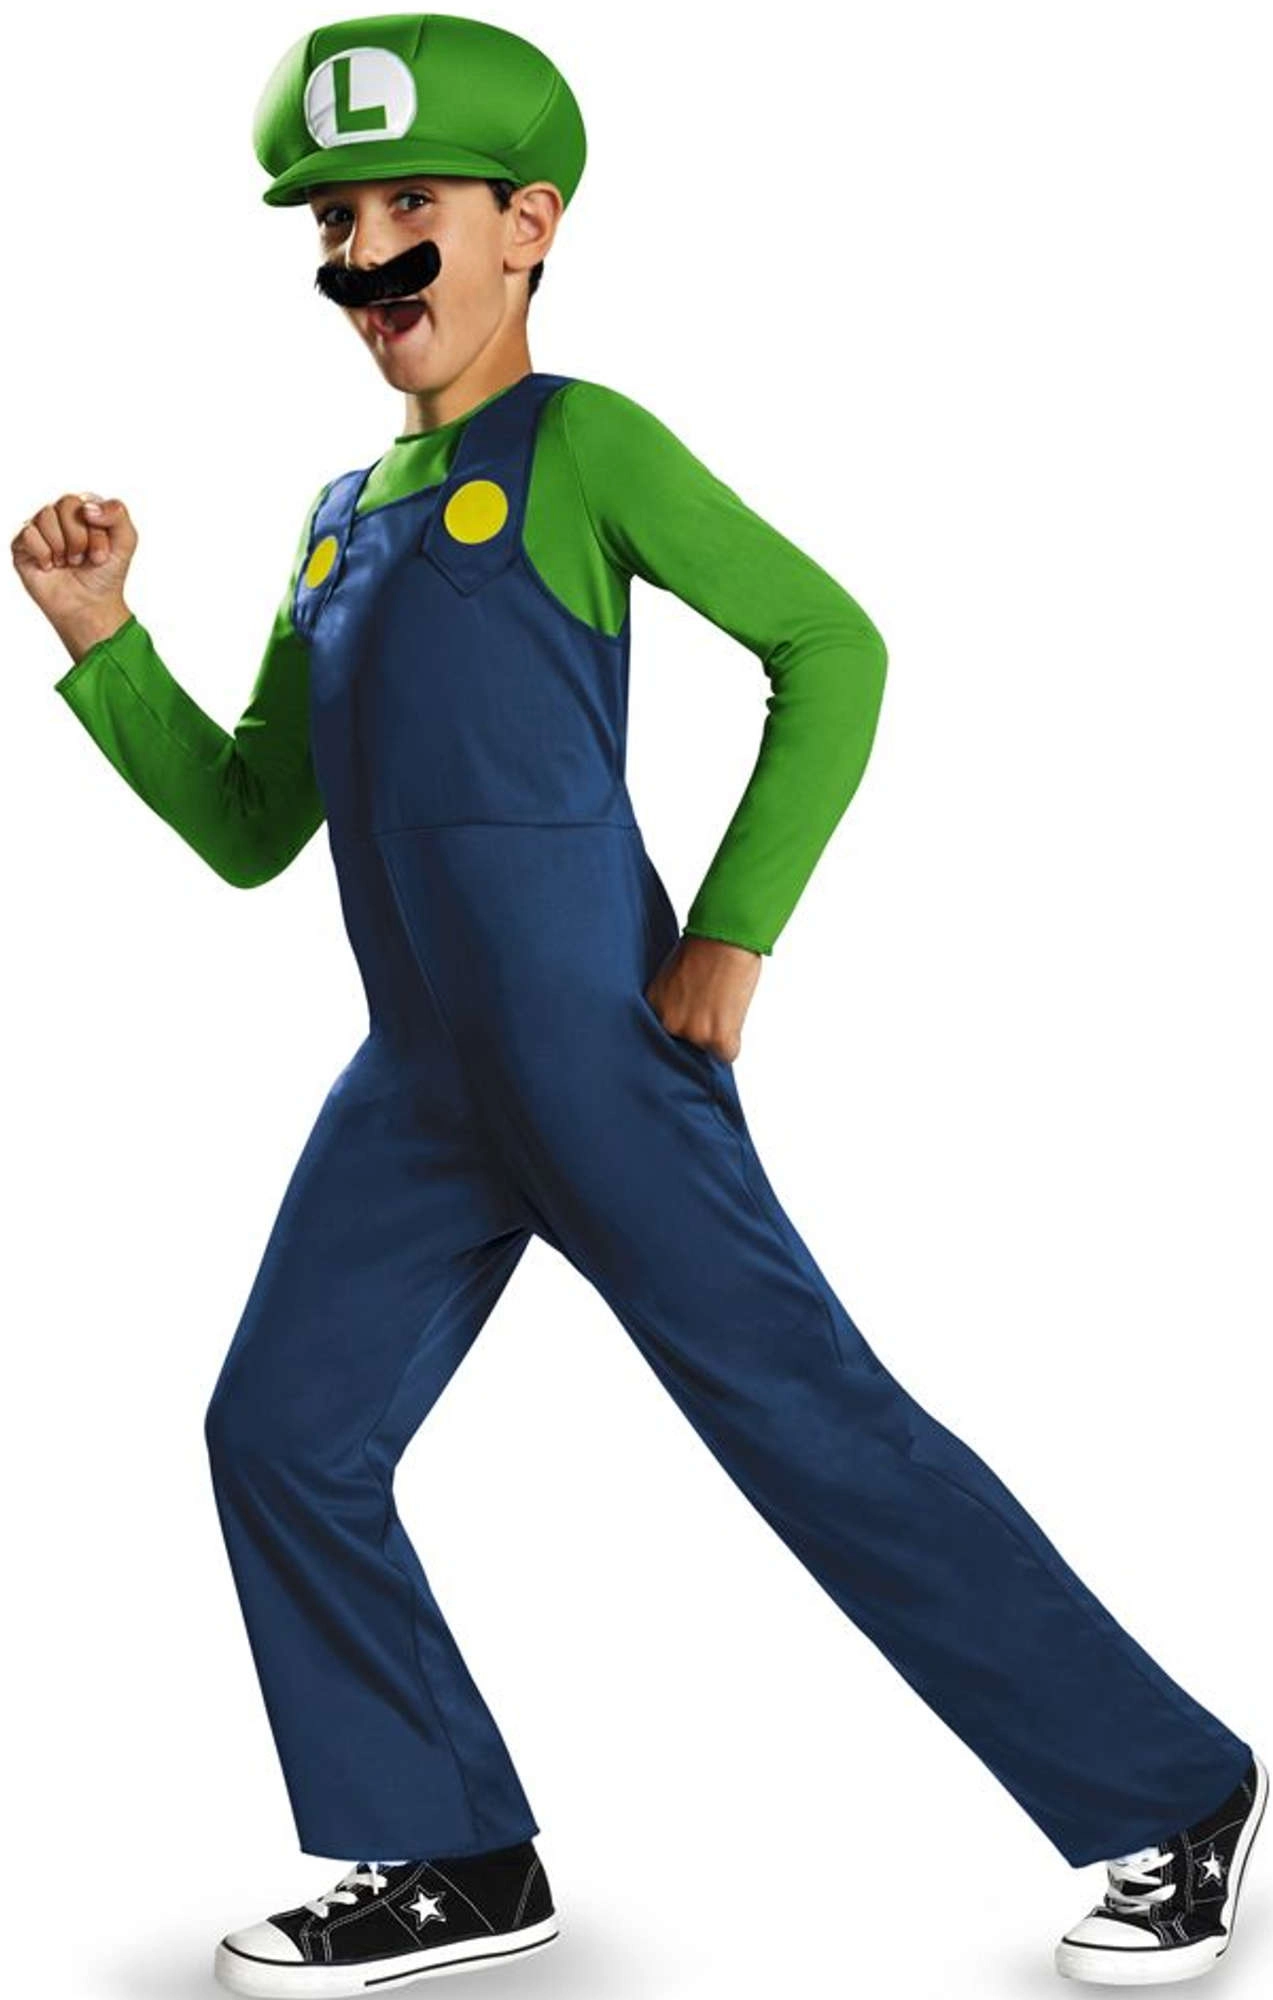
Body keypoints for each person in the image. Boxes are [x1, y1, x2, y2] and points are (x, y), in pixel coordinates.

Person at [12, 13, 1264, 1997]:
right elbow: (255, 824)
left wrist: (733, 934)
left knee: (811, 1427)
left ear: (529, 225)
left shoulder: (585, 445)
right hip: (418, 1084)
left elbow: (831, 644)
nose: (365, 257)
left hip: (602, 1053)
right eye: (333, 221)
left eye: (409, 208)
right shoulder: (337, 518)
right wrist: (103, 642)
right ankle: (452, 1851)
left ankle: (1173, 1797)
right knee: (280, 1430)